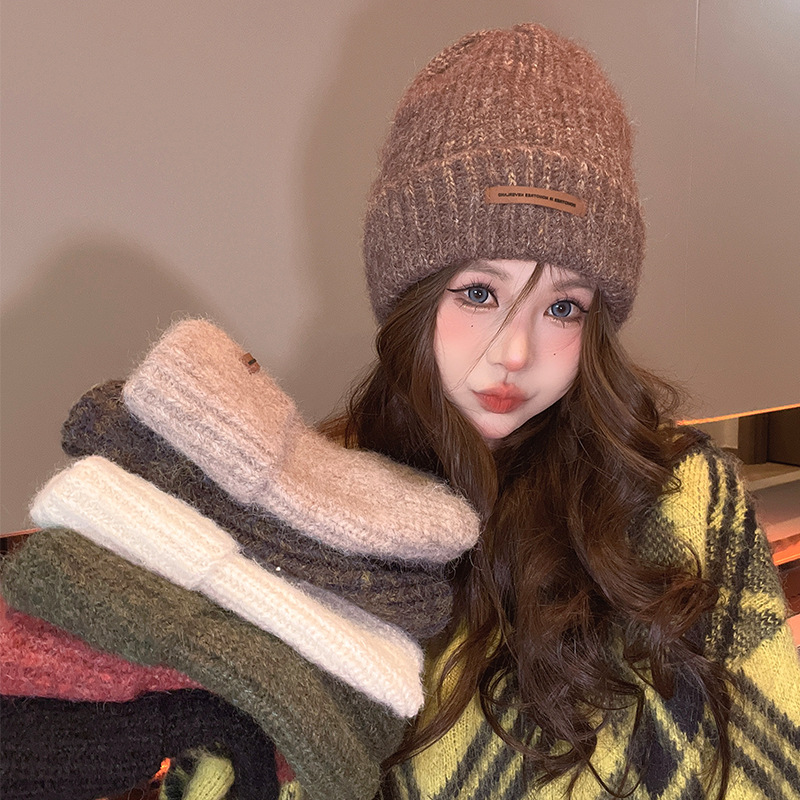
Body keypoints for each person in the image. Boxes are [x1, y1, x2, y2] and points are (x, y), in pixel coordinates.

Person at [319, 22, 800, 800]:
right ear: (411, 297)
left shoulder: (686, 502)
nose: (516, 353)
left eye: (563, 307)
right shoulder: (316, 507)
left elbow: (768, 764)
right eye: (480, 293)